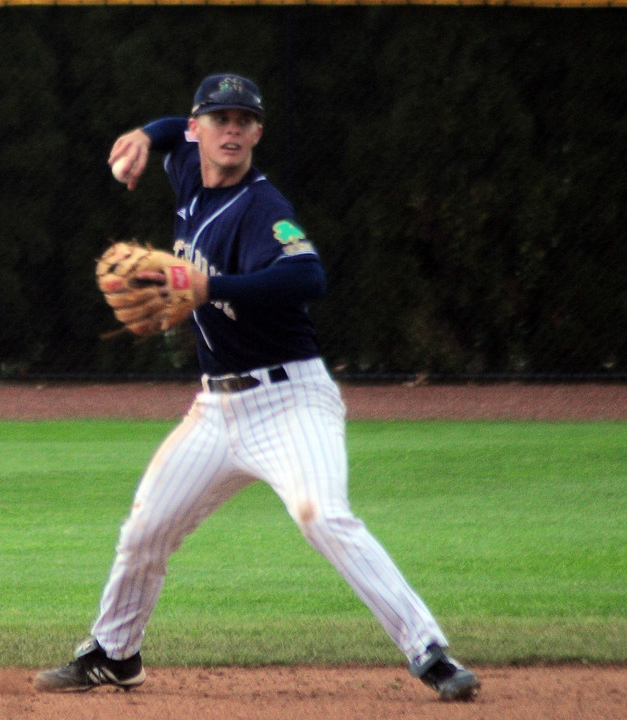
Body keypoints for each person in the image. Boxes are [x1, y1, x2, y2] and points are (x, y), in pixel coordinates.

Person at [35, 73, 480, 702]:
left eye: (245, 120)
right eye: (220, 119)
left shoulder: (262, 207)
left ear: (258, 133)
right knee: (145, 528)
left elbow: (308, 277)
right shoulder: (189, 169)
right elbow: (169, 135)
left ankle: (430, 652)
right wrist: (143, 134)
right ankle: (115, 652)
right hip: (216, 410)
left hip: (291, 401)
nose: (233, 129)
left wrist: (210, 288)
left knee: (320, 515)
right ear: (200, 130)